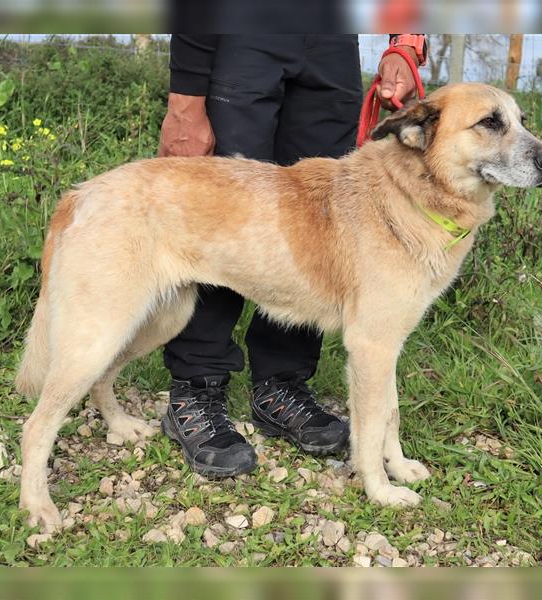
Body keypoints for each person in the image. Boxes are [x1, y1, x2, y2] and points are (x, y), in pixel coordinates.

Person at [158, 34, 428, 477]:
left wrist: (405, 41)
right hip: (240, 30)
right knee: (222, 219)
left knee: (318, 222)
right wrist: (185, 100)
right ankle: (197, 387)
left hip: (329, 41)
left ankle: (281, 386)